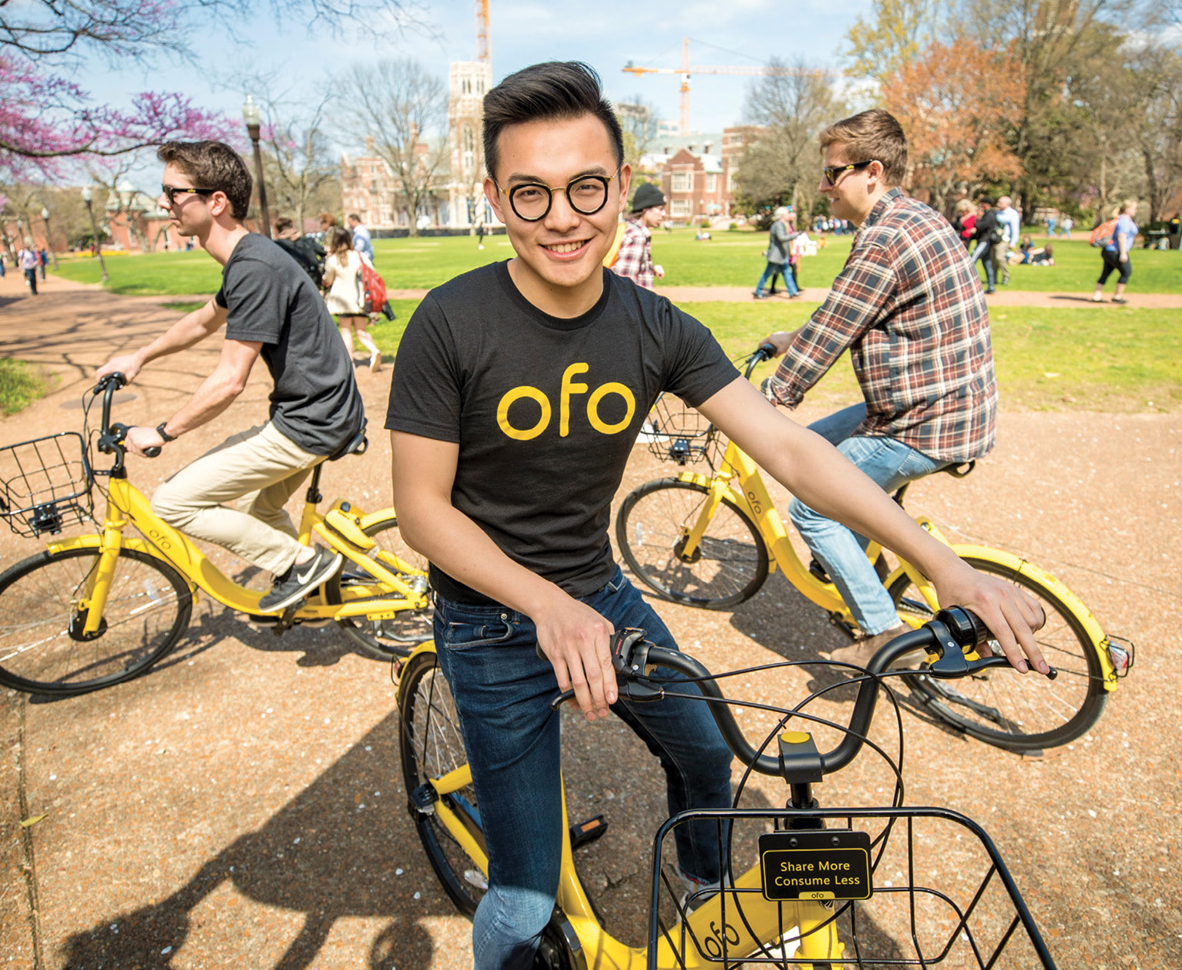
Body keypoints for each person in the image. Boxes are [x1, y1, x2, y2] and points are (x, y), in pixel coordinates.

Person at [385, 64, 1048, 970]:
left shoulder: (657, 325)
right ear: (496, 197)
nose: (563, 217)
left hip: (600, 592)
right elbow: (421, 509)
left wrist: (945, 566)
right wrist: (545, 605)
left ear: (622, 185)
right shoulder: (449, 321)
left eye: (587, 187)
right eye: (530, 193)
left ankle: (702, 889)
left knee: (706, 754)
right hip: (489, 621)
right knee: (525, 894)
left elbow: (790, 449)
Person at [758, 107, 1016, 666]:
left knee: (812, 507)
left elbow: (831, 335)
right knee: (814, 448)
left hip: (921, 423)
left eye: (832, 173)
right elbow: (849, 313)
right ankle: (862, 551)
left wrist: (767, 401)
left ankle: (883, 633)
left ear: (871, 172)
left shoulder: (882, 240)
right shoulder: (914, 217)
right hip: (946, 406)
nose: (824, 187)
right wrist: (790, 337)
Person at [94, 140, 365, 614]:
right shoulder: (248, 258)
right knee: (261, 511)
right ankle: (319, 584)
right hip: (319, 413)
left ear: (216, 201)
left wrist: (162, 432)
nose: (163, 203)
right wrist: (138, 357)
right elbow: (203, 320)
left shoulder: (255, 266)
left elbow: (229, 380)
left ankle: (302, 566)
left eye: (173, 192)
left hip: (312, 422)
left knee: (172, 502)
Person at [321, 224, 382, 371]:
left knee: (346, 331)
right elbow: (372, 272)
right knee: (361, 331)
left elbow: (327, 279)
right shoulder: (360, 256)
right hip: (360, 299)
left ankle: (350, 362)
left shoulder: (333, 259)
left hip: (341, 301)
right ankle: (374, 350)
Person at [609, 181, 667, 290]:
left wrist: (650, 269)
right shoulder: (637, 237)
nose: (664, 214)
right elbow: (623, 286)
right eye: (660, 209)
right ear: (645, 209)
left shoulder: (628, 228)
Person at [1093, 199, 1139, 304]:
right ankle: (1117, 296)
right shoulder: (1124, 221)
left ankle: (1097, 295)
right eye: (1134, 208)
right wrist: (1123, 253)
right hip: (1115, 251)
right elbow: (1121, 237)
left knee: (1106, 273)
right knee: (1126, 272)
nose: (1135, 211)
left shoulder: (1122, 219)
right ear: (1127, 209)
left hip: (1108, 250)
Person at [752, 205, 802, 299]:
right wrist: (795, 235)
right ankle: (758, 291)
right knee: (767, 274)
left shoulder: (781, 225)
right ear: (782, 215)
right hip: (776, 256)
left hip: (781, 256)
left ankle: (793, 292)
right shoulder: (778, 225)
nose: (788, 215)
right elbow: (782, 238)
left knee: (787, 273)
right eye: (786, 213)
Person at [272, 216, 328, 290]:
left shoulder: (277, 246)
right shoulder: (307, 241)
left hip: (294, 283)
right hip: (312, 280)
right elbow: (324, 253)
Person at [967, 199, 999, 290]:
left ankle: (969, 284)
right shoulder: (990, 214)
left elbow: (980, 226)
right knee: (987, 264)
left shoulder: (989, 214)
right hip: (985, 240)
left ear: (985, 205)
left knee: (971, 261)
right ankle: (991, 286)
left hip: (984, 241)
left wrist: (977, 218)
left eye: (981, 205)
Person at [991, 195, 1021, 291]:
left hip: (1004, 240)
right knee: (993, 260)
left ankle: (1006, 275)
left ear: (1007, 203)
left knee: (999, 258)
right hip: (994, 239)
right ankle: (993, 279)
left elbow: (1015, 229)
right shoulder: (997, 213)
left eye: (1000, 202)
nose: (998, 204)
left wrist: (1013, 242)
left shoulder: (1012, 213)